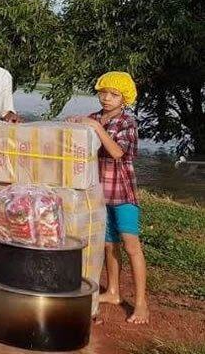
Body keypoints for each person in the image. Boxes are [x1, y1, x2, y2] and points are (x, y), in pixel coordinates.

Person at [67, 72, 148, 324]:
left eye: (114, 94)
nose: (106, 98)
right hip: (99, 192)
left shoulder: (127, 122)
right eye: (103, 92)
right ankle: (113, 291)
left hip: (122, 192)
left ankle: (142, 303)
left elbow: (115, 152)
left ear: (125, 98)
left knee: (131, 244)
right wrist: (74, 125)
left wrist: (96, 128)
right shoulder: (93, 118)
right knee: (108, 244)